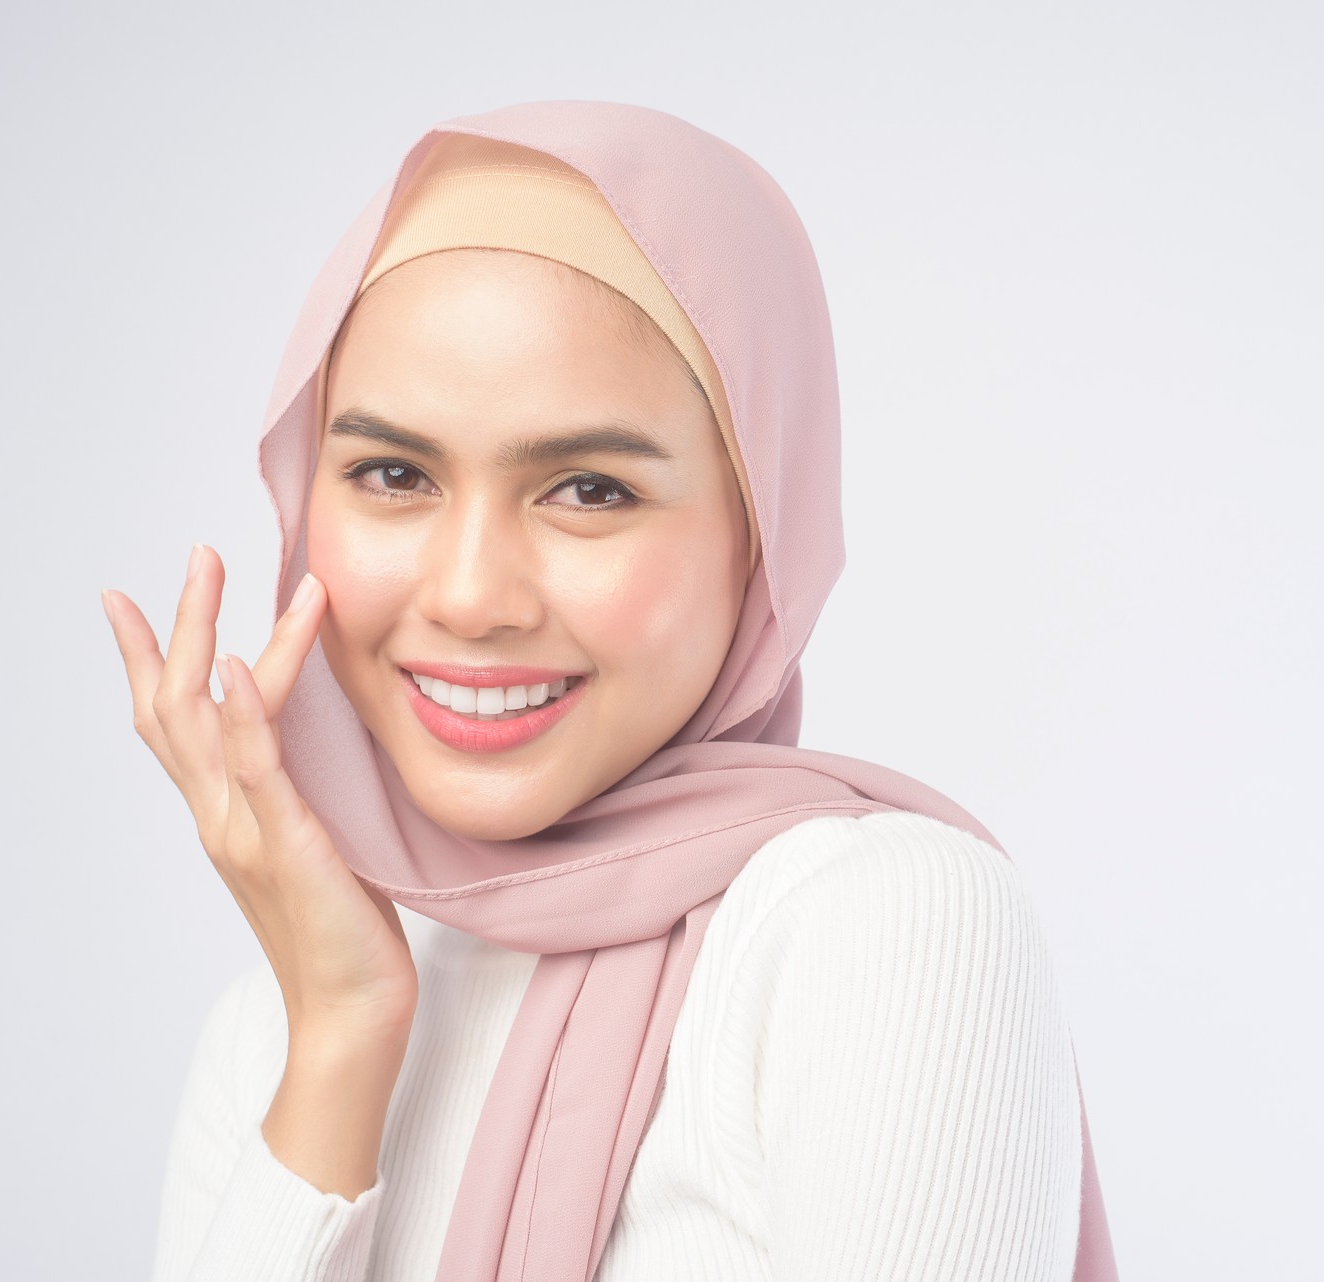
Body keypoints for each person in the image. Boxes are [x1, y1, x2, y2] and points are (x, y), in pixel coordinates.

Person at [102, 100, 1117, 1282]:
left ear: (762, 534)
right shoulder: (276, 1028)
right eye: (393, 473)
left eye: (588, 490)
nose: (473, 594)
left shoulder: (879, 924)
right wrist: (340, 1038)